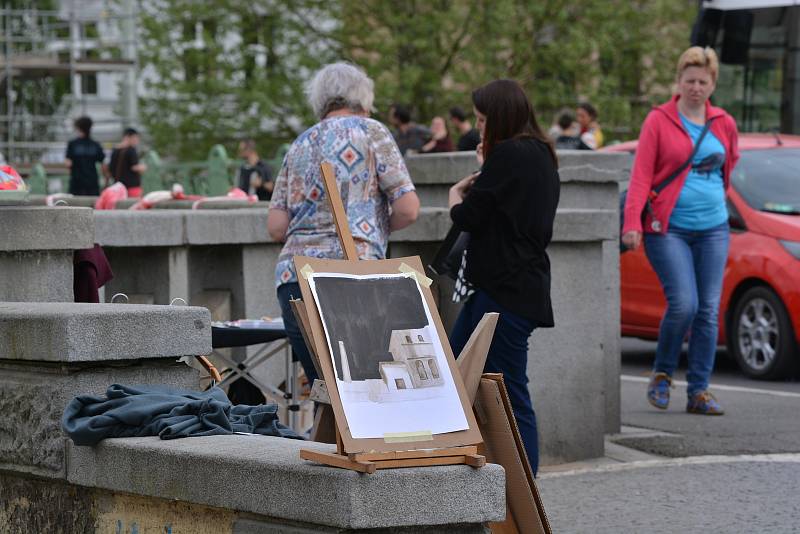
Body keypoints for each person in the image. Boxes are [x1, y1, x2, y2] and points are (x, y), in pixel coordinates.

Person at [267, 62, 420, 386]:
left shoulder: (300, 143)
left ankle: (322, 439)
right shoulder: (372, 132)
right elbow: (408, 208)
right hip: (353, 273)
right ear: (363, 99)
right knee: (362, 391)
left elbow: (277, 226)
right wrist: (372, 230)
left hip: (295, 277)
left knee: (326, 391)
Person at [448, 79, 560, 476]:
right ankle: (478, 478)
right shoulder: (541, 153)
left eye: (482, 120)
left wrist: (454, 197)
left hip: (503, 291)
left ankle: (523, 488)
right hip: (514, 289)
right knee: (460, 375)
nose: (478, 128)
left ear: (500, 118)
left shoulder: (509, 154)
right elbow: (507, 209)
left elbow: (470, 216)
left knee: (505, 390)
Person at [622, 46, 739, 416]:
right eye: (689, 81)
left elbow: (729, 166)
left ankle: (699, 392)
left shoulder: (723, 122)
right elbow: (640, 176)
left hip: (714, 228)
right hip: (666, 227)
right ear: (679, 81)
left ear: (713, 84)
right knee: (684, 303)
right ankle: (662, 372)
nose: (696, 87)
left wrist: (716, 204)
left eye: (703, 82)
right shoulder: (658, 120)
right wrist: (631, 224)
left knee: (707, 309)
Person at [65, 116, 106, 196]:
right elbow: (103, 164)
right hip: (92, 183)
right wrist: (106, 180)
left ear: (78, 128)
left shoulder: (73, 144)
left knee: (75, 205)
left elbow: (68, 163)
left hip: (76, 183)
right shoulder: (95, 145)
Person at [109, 128, 147, 198]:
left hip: (118, 187)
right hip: (132, 186)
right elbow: (134, 167)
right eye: (135, 138)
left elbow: (111, 168)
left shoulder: (115, 150)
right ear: (129, 137)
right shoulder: (131, 150)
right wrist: (142, 167)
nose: (136, 141)